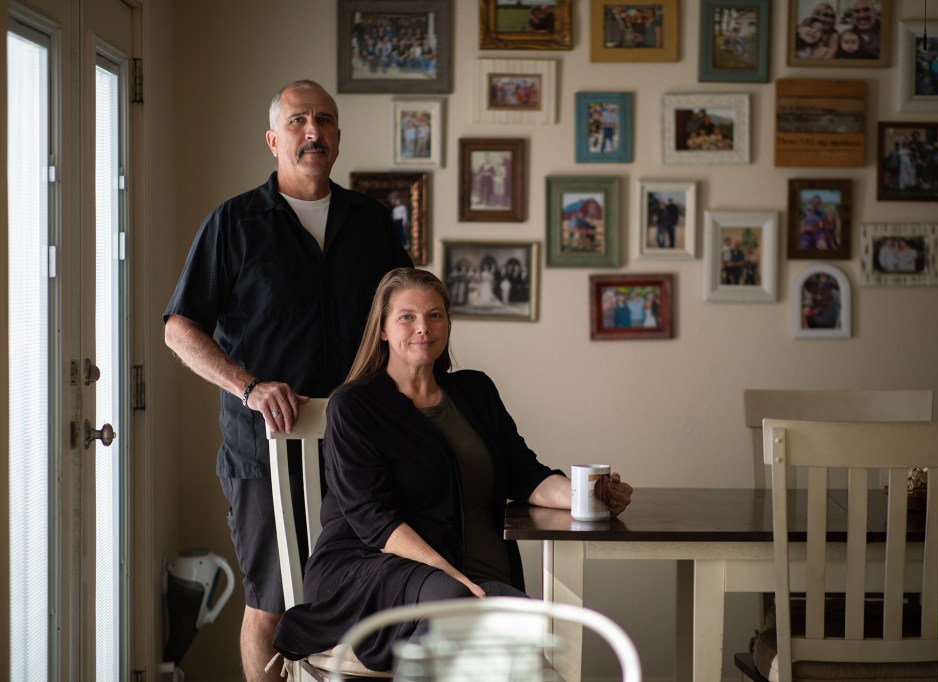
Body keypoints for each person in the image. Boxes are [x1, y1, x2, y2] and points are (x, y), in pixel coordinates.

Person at [163, 80, 413, 682]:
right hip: (262, 450)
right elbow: (179, 328)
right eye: (299, 121)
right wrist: (250, 388)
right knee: (271, 603)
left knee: (370, 595)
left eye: (324, 121)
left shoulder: (373, 223)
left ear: (337, 137)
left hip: (362, 449)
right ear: (274, 139)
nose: (313, 132)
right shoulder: (234, 223)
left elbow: (403, 320)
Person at [270, 268, 634, 670]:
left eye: (435, 315)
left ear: (448, 323)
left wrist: (590, 497)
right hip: (368, 570)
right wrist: (451, 576)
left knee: (520, 620)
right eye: (407, 316)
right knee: (463, 608)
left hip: (468, 578)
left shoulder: (475, 391)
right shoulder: (355, 406)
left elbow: (526, 475)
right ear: (383, 329)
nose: (423, 327)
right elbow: (373, 520)